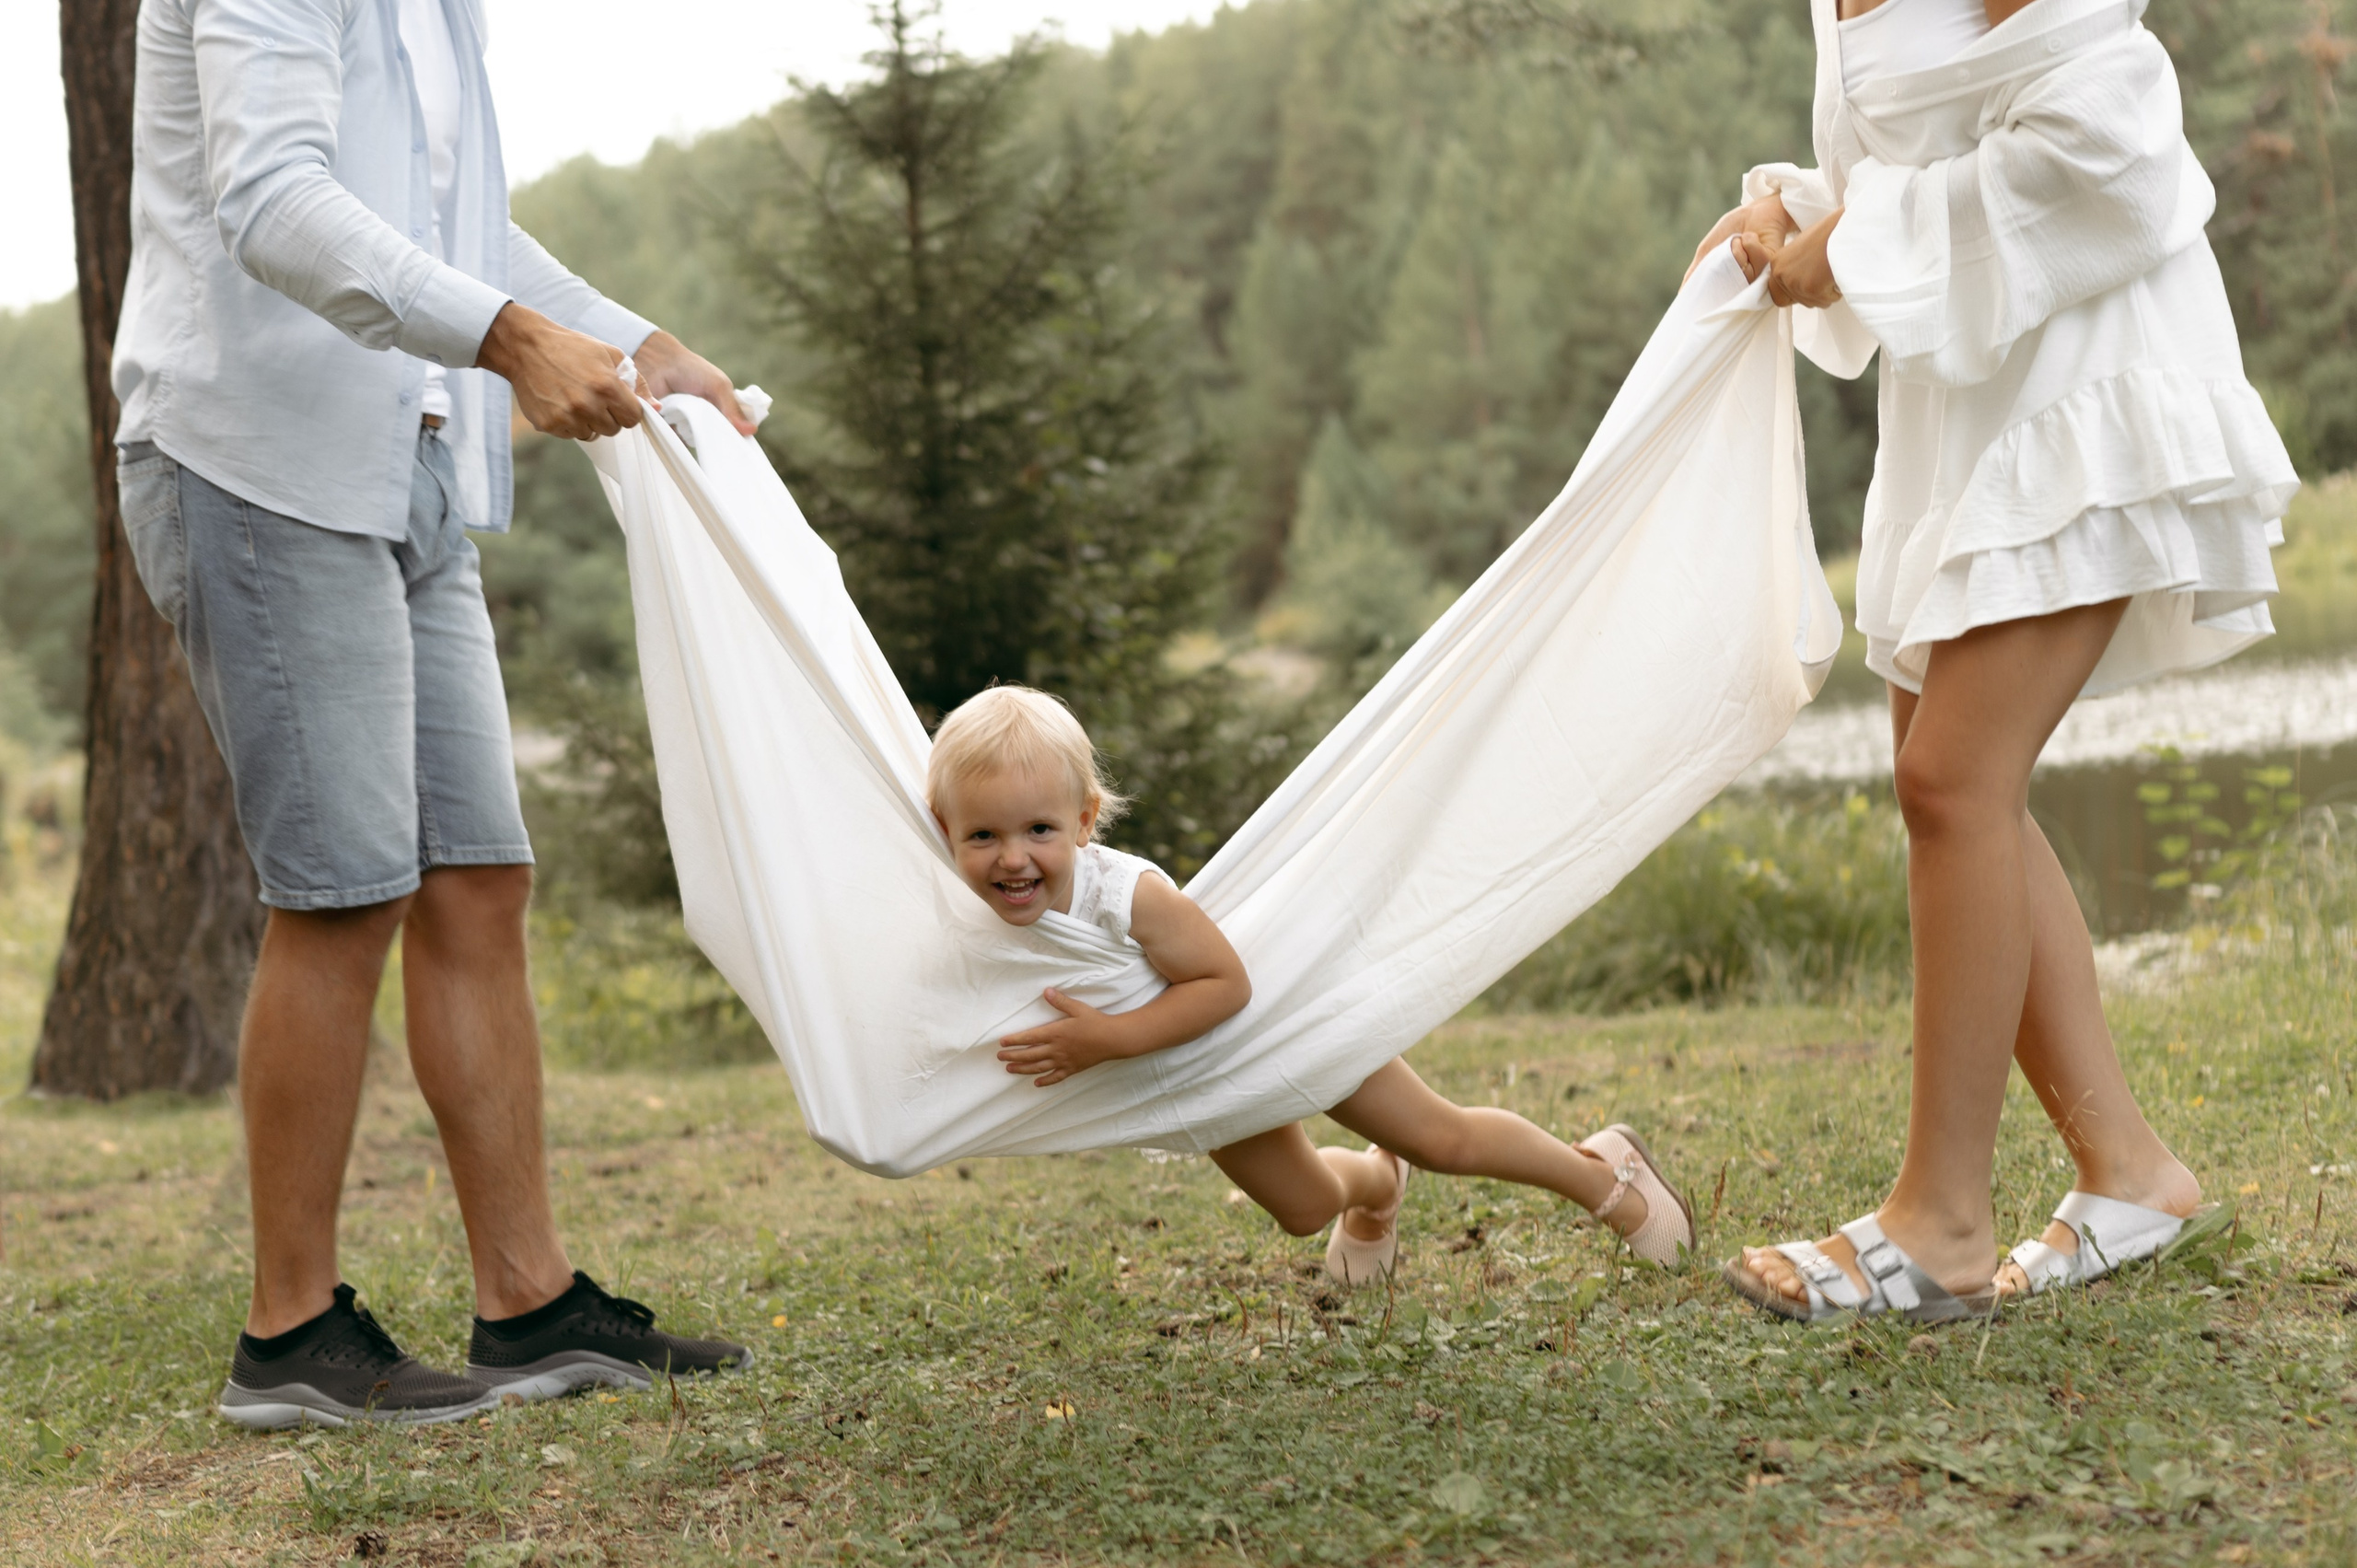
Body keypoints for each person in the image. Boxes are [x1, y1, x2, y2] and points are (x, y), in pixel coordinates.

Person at [115, 0, 754, 1426]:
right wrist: (512, 341)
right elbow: (274, 198)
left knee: (477, 877)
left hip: (404, 465)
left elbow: (458, 233)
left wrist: (645, 344)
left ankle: (527, 1302)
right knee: (344, 889)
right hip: (255, 456)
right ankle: (289, 1334)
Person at [1703, 0, 2296, 1321]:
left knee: (1953, 780)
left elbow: (2111, 134)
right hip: (1971, 409)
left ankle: (1943, 1222)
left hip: (2089, 382)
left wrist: (1857, 246)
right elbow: (1939, 139)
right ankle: (2131, 1168)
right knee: (1960, 785)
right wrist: (1799, 220)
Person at [927, 686, 1695, 1282]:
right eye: (984, 835)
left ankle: (1607, 1177)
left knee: (1441, 1138)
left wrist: (1108, 1038)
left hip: (1281, 1021)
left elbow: (1225, 984)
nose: (1013, 859)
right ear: (943, 831)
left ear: (1085, 821)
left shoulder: (1121, 893)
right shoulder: (965, 908)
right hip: (1202, 1080)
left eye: (1039, 831)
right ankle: (1375, 1185)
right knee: (1301, 1209)